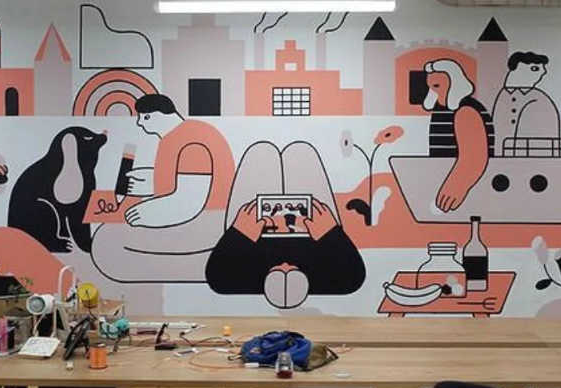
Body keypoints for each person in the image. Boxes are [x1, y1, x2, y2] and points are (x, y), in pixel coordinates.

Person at [90, 94, 235, 282]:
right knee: (109, 235)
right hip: (200, 216)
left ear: (162, 114)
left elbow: (190, 203)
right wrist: (152, 180)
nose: (140, 123)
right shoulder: (177, 137)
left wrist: (144, 214)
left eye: (146, 117)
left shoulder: (192, 142)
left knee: (106, 240)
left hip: (206, 220)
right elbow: (183, 180)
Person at [205, 141, 365, 309]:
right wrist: (329, 232)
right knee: (301, 152)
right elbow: (354, 274)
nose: (285, 263)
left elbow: (216, 274)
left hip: (251, 232)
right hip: (316, 232)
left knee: (261, 152)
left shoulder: (232, 282)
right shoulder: (339, 282)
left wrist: (240, 234)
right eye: (293, 270)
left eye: (277, 270)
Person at [422, 59, 495, 212]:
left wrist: (456, 187)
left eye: (437, 86)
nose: (434, 92)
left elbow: (474, 157)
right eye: (431, 87)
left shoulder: (466, 111)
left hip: (466, 191)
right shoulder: (444, 110)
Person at [492, 51, 560, 156]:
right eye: (535, 69)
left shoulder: (540, 99)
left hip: (534, 156)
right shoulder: (503, 96)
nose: (543, 73)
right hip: (502, 155)